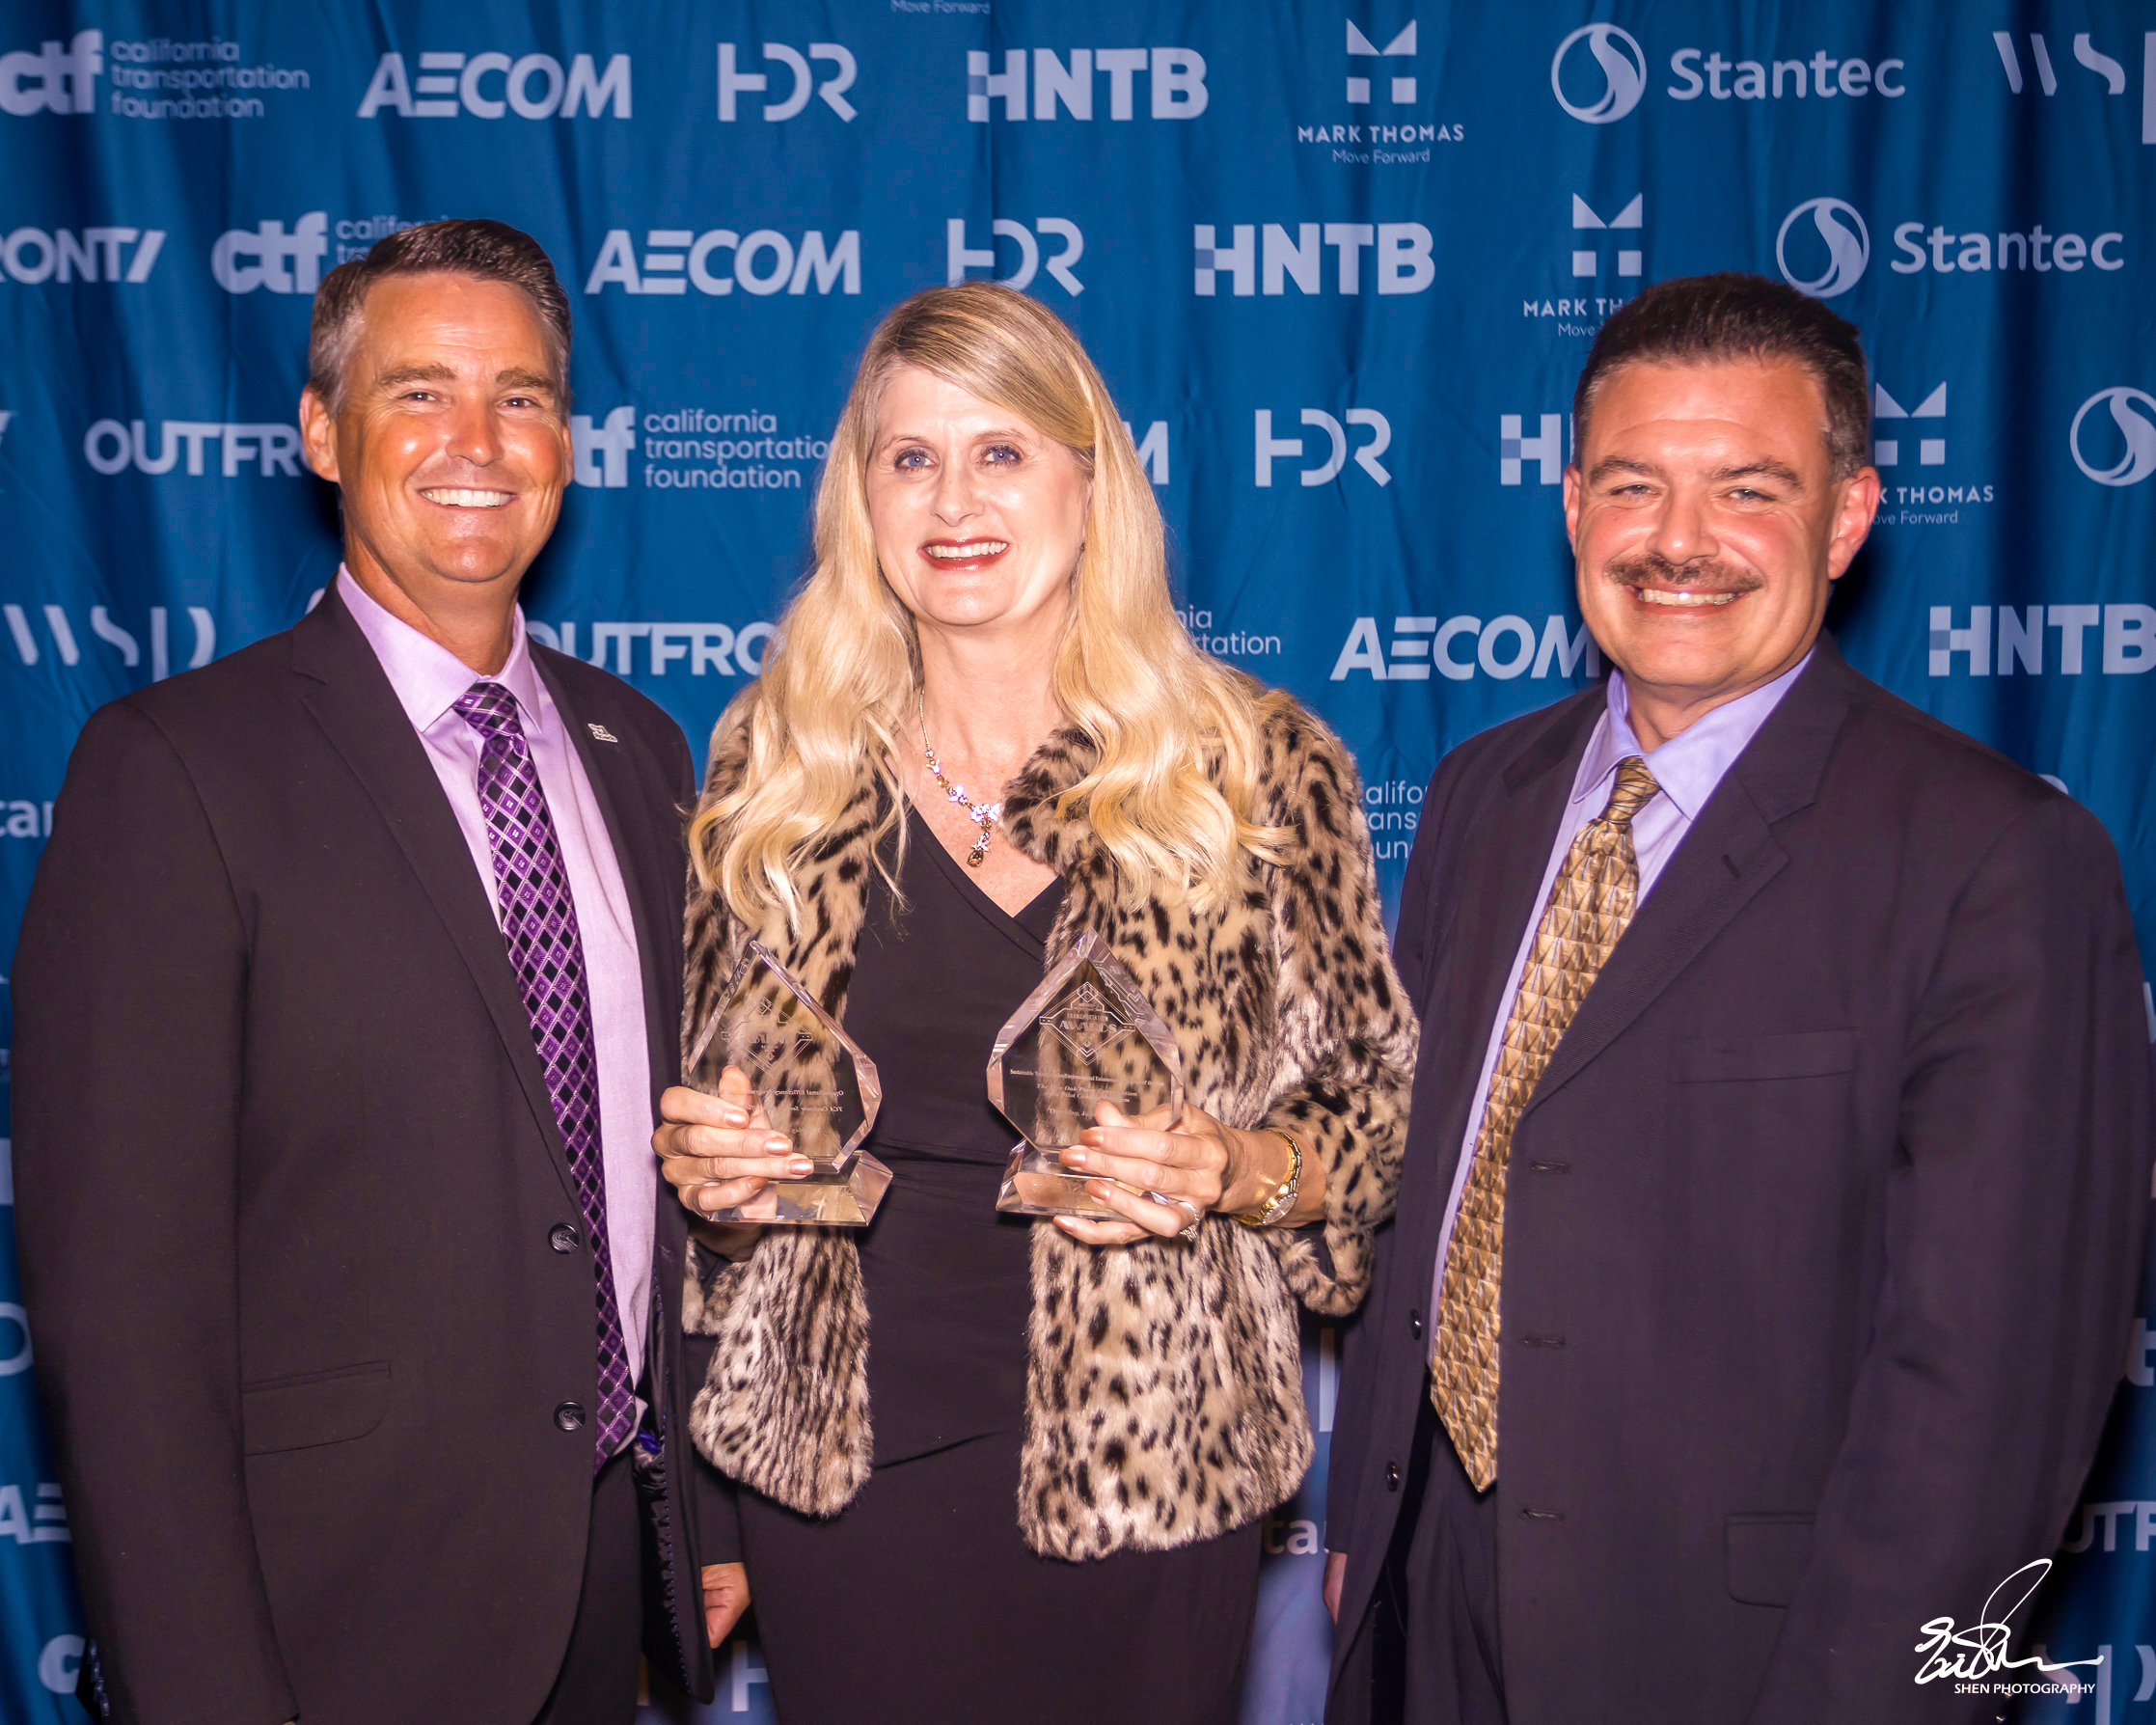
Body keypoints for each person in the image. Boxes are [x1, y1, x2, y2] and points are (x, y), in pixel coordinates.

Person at [1324, 273, 2152, 1725]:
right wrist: (1366, 1539)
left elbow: (1996, 1399)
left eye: (1748, 491)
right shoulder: (1483, 793)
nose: (1680, 544)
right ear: (1574, 506)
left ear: (1844, 520)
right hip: (1421, 1608)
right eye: (1635, 485)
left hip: (1746, 1657)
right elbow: (1432, 1195)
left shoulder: (1998, 859)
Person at [648, 281, 1417, 1724]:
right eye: (910, 456)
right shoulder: (779, 765)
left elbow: (1372, 1118)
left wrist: (1235, 1170)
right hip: (846, 1478)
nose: (955, 498)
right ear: (860, 495)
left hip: (1151, 1474)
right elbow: (721, 1162)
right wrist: (718, 1183)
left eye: (1002, 451)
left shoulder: (1254, 766)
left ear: (1090, 478)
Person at [12, 220, 739, 1725]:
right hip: (326, 1613)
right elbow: (122, 1311)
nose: (478, 442)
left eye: (523, 397)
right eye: (420, 393)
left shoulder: (640, 750)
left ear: (567, 441)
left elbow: (657, 1181)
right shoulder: (176, 769)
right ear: (323, 434)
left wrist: (701, 1525)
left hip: (610, 1586)